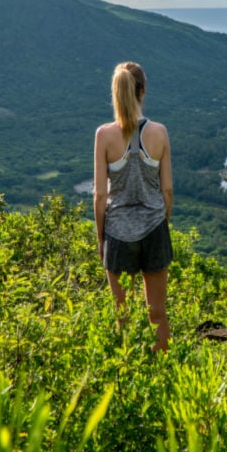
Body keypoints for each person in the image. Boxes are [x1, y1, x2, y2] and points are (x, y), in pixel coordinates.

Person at [94, 61, 173, 351]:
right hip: (154, 228)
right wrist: (163, 223)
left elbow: (100, 196)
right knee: (157, 311)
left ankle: (127, 376)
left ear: (115, 93)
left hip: (117, 231)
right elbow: (167, 189)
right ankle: (161, 368)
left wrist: (101, 237)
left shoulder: (103, 135)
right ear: (143, 90)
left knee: (122, 315)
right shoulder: (159, 132)